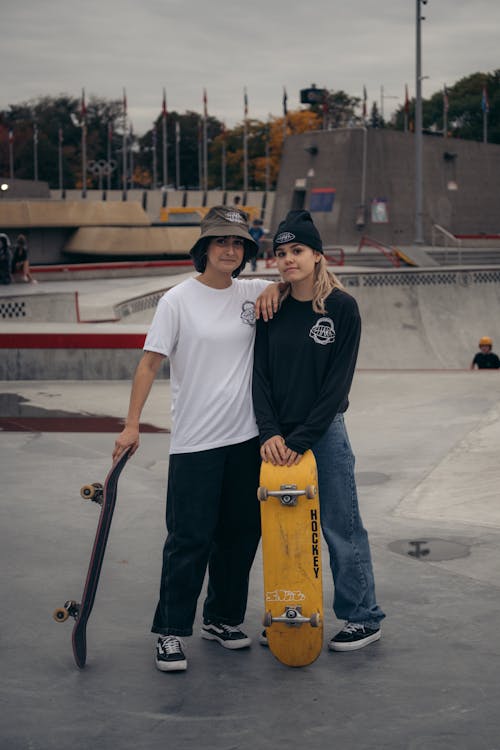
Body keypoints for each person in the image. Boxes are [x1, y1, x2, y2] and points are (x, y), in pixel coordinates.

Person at [113, 206, 280, 672]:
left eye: (238, 244)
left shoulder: (252, 291)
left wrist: (275, 285)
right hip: (196, 441)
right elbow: (149, 363)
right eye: (221, 242)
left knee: (241, 535)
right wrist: (131, 424)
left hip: (246, 440)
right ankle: (170, 630)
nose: (230, 250)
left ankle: (222, 618)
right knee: (189, 539)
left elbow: (300, 279)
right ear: (203, 248)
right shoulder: (177, 300)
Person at [252, 210, 385, 652]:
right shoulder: (272, 308)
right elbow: (261, 377)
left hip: (324, 433)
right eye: (281, 253)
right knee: (281, 529)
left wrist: (300, 439)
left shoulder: (342, 308)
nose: (288, 259)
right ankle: (290, 615)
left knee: (340, 527)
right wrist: (269, 431)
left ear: (317, 256)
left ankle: (362, 616)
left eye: (297, 251)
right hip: (276, 438)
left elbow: (336, 386)